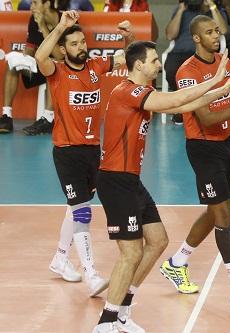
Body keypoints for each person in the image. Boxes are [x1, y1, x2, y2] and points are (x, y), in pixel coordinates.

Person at [92, 40, 230, 333]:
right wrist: (213, 79)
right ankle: (106, 323)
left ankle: (123, 311)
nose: (159, 65)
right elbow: (174, 100)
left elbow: (186, 104)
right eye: (153, 60)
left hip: (131, 180)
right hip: (116, 180)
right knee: (131, 253)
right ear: (138, 65)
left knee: (158, 240)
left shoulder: (143, 94)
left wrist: (220, 90)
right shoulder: (127, 92)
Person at [159, 15, 230, 313]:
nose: (216, 36)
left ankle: (178, 262)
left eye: (217, 31)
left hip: (224, 145)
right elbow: (207, 118)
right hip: (202, 147)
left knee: (215, 212)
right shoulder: (188, 71)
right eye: (209, 32)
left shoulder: (224, 64)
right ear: (196, 38)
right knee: (224, 215)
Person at [34, 10, 134, 296]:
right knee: (82, 212)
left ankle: (60, 259)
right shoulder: (56, 72)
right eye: (75, 44)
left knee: (74, 207)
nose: (82, 47)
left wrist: (129, 38)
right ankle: (91, 274)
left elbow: (127, 59)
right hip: (67, 152)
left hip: (92, 150)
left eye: (82, 41)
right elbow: (41, 57)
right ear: (63, 50)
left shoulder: (95, 67)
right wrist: (61, 26)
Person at [0, 0, 64, 135]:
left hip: (62, 73)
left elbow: (59, 56)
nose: (31, 7)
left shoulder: (65, 21)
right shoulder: (33, 20)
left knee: (52, 64)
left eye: (35, 3)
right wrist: (22, 59)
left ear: (47, 4)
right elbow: (30, 49)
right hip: (39, 67)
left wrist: (43, 26)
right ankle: (7, 117)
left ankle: (48, 119)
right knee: (12, 65)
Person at [164, 0, 229, 124]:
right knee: (172, 70)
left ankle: (193, 109)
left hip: (204, 53)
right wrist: (180, 10)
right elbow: (170, 35)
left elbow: (223, 30)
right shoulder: (182, 10)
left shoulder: (215, 10)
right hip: (180, 52)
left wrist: (212, 6)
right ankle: (185, 108)